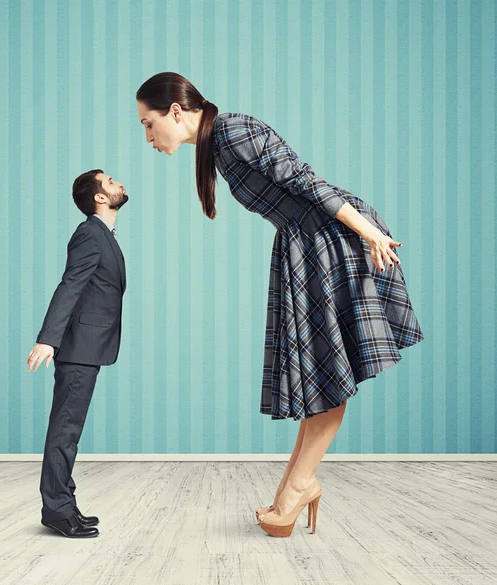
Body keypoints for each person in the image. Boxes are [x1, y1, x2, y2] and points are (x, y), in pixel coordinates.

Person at [135, 72, 424, 538]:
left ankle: (297, 490)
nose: (148, 136)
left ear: (175, 110)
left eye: (148, 123)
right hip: (307, 244)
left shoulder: (231, 131)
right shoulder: (218, 146)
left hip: (330, 239)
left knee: (328, 376)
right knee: (317, 379)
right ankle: (293, 488)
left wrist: (368, 232)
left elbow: (306, 181)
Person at [26, 169, 128, 538]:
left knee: (69, 430)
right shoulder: (90, 234)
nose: (118, 183)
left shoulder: (104, 235)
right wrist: (48, 339)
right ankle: (56, 510)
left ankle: (65, 503)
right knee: (65, 430)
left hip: (89, 347)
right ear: (100, 197)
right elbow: (70, 284)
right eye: (111, 181)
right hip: (78, 348)